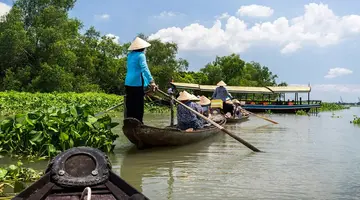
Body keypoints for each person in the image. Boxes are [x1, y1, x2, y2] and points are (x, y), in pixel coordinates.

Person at [125, 37, 157, 123]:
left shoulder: (130, 55)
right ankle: (138, 123)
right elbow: (144, 68)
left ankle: (129, 122)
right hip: (137, 83)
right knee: (138, 105)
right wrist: (152, 81)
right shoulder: (141, 55)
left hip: (128, 82)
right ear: (142, 48)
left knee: (130, 104)